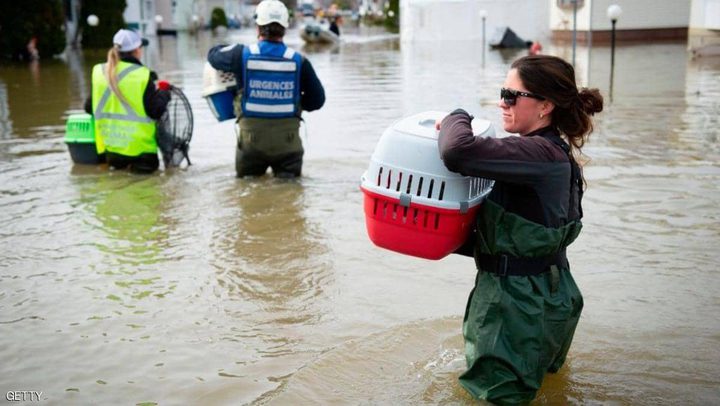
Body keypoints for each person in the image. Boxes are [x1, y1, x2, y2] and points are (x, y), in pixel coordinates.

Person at [437, 55, 603, 405]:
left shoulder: (535, 155)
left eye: (512, 95)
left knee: (495, 397)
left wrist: (457, 116)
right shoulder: (553, 153)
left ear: (545, 106)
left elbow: (456, 150)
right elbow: (522, 233)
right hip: (552, 295)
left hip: (514, 307)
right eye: (502, 93)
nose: (502, 102)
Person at [207, 0, 325, 178]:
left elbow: (213, 56)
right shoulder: (299, 61)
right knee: (289, 197)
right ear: (285, 28)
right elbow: (318, 100)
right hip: (288, 146)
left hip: (251, 146)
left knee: (248, 193)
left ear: (258, 27)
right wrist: (296, 103)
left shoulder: (241, 55)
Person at [84, 29, 170, 173]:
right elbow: (155, 111)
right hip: (141, 153)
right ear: (137, 50)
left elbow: (88, 107)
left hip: (112, 152)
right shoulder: (142, 75)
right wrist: (164, 93)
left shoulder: (99, 72)